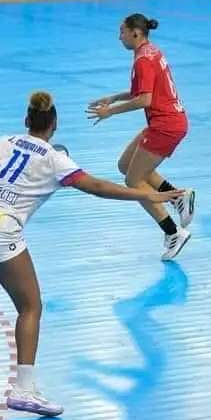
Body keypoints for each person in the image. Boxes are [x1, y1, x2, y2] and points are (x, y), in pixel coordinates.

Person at [0, 91, 183, 417]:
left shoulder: (3, 141)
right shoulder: (55, 159)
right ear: (54, 126)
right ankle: (24, 389)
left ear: (27, 121)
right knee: (30, 306)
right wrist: (144, 192)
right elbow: (96, 187)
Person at [85, 14, 194, 261]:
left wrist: (109, 113)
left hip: (166, 126)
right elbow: (140, 92)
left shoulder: (142, 61)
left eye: (122, 31)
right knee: (125, 165)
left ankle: (173, 231)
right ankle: (177, 197)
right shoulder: (151, 52)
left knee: (133, 181)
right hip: (166, 121)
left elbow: (145, 100)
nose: (119, 36)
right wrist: (112, 98)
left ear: (136, 33)